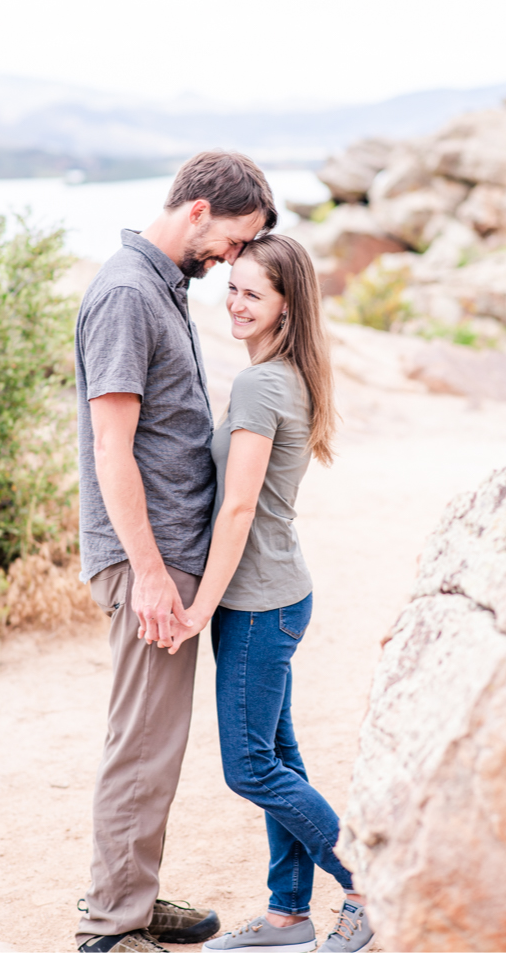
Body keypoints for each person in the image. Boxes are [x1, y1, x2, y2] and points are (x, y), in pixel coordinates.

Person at [75, 151, 277, 952]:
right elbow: (110, 448)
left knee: (157, 740)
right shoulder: (128, 292)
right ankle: (111, 925)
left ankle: (132, 892)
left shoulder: (158, 286)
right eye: (233, 238)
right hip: (145, 559)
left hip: (166, 553)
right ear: (197, 210)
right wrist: (153, 576)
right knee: (143, 740)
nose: (232, 257)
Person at [159, 234, 372, 953]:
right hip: (277, 595)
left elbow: (239, 508)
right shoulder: (287, 375)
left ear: (286, 306)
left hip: (257, 604)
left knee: (250, 766)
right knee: (277, 758)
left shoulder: (259, 385)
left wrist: (198, 609)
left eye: (254, 292)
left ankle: (369, 885)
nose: (236, 302)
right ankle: (288, 915)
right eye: (234, 287)